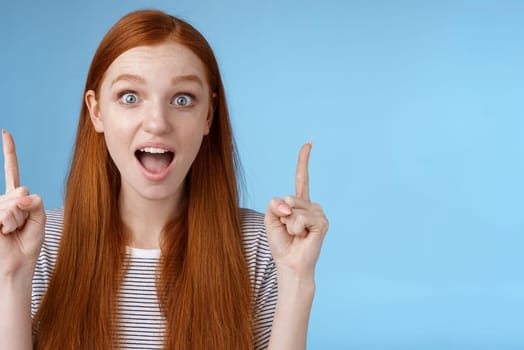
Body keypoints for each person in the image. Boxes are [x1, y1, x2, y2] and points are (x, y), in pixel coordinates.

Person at [0, 9, 329, 350]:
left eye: (182, 99)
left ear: (208, 116)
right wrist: (11, 276)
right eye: (130, 97)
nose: (157, 122)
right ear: (96, 112)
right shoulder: (41, 245)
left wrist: (297, 279)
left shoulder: (260, 244)